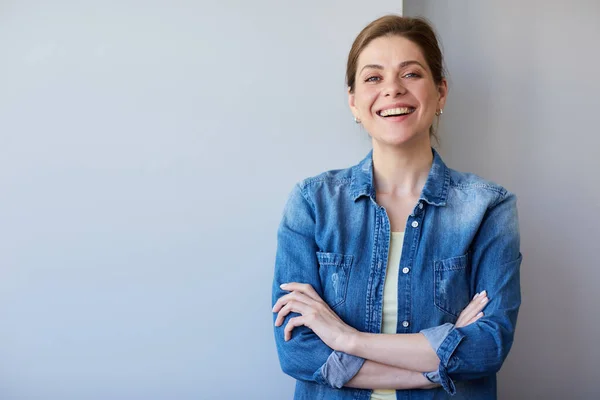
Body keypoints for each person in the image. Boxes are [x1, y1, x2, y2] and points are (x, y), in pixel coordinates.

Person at [271, 15, 521, 400]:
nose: (392, 90)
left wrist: (346, 338)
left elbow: (487, 347)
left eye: (411, 74)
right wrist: (436, 368)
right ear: (354, 102)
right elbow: (298, 351)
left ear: (440, 93)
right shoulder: (312, 202)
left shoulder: (488, 206)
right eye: (373, 78)